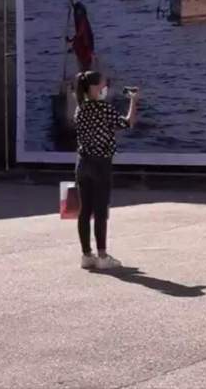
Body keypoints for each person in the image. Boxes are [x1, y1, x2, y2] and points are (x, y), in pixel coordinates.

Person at [73, 71, 138, 269]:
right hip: (101, 164)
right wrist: (133, 101)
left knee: (84, 211)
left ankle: (86, 255)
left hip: (82, 163)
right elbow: (127, 123)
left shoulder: (80, 109)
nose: (105, 89)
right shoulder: (103, 108)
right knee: (100, 211)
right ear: (93, 88)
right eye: (102, 85)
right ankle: (102, 256)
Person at [67, 1, 95, 72]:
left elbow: (80, 33)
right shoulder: (82, 20)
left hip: (85, 46)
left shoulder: (83, 20)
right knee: (84, 65)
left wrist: (71, 40)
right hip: (84, 46)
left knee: (85, 65)